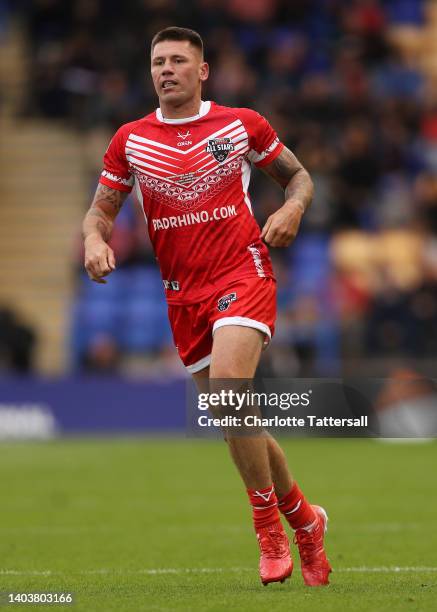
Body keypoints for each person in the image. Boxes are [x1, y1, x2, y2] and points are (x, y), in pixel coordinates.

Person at [82, 26, 331, 587]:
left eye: (177, 61)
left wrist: (293, 210)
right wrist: (95, 240)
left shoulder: (241, 124)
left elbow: (298, 178)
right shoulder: (130, 140)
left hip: (242, 272)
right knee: (235, 420)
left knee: (229, 391)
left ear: (202, 71)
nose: (165, 70)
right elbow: (100, 212)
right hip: (182, 295)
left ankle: (268, 526)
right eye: (157, 62)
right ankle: (305, 520)